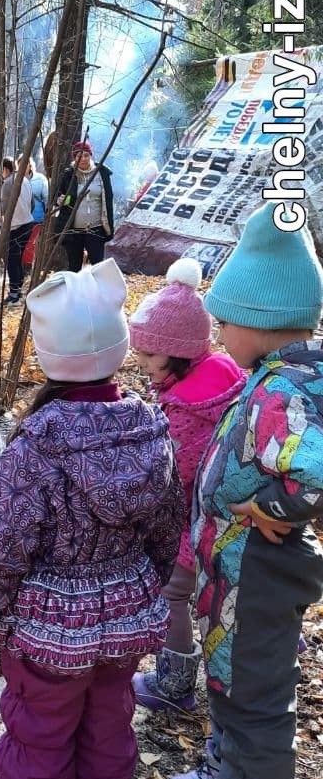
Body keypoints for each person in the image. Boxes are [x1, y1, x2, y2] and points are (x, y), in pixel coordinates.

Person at [0, 260, 183, 779]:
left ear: (49, 358)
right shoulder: (148, 429)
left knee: (40, 725)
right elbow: (166, 525)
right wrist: (147, 585)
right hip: (126, 614)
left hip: (52, 626)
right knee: (109, 718)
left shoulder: (37, 447)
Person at [170, 204, 323, 779]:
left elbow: (312, 474)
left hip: (258, 577)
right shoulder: (276, 377)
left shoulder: (288, 390)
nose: (219, 335)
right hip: (237, 576)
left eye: (223, 324)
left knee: (255, 703)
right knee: (230, 686)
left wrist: (275, 512)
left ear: (258, 322)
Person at [128, 259, 245, 711]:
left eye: (149, 357)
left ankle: (175, 685)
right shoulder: (221, 378)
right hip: (229, 520)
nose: (142, 365)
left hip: (193, 521)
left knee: (173, 592)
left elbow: (175, 473)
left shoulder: (190, 408)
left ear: (177, 352)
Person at [53, 140, 114, 272]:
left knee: (98, 267)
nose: (83, 159)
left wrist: (109, 225)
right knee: (74, 268)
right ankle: (76, 292)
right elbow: (55, 198)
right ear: (75, 157)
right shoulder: (68, 175)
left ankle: (98, 292)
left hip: (95, 228)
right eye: (79, 155)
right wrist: (60, 200)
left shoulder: (101, 173)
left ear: (91, 155)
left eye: (86, 155)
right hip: (74, 230)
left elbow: (108, 199)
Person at [0, 157, 35, 305]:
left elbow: (4, 208)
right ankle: (18, 291)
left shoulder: (8, 183)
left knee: (12, 261)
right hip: (28, 223)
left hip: (16, 226)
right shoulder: (25, 180)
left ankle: (14, 295)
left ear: (5, 169)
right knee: (17, 259)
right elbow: (32, 204)